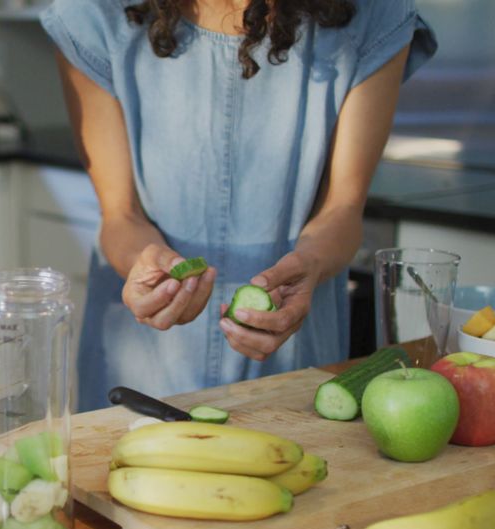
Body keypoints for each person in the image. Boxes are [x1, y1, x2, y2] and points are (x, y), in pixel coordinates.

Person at [40, 0, 436, 411]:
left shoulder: (373, 14)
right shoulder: (95, 15)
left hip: (293, 355)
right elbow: (121, 215)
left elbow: (343, 209)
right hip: (145, 363)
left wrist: (312, 261)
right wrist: (143, 261)